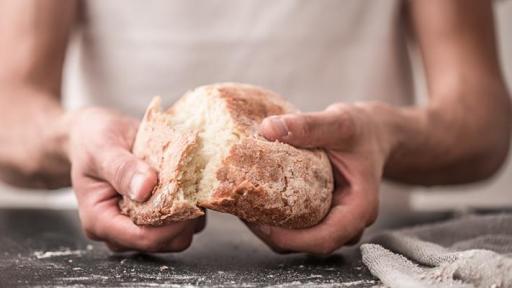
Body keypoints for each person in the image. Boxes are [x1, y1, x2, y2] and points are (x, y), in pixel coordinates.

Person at [0, 0, 509, 255]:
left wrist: (387, 136)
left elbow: (481, 121)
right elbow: (11, 112)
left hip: (361, 251)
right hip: (108, 254)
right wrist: (73, 137)